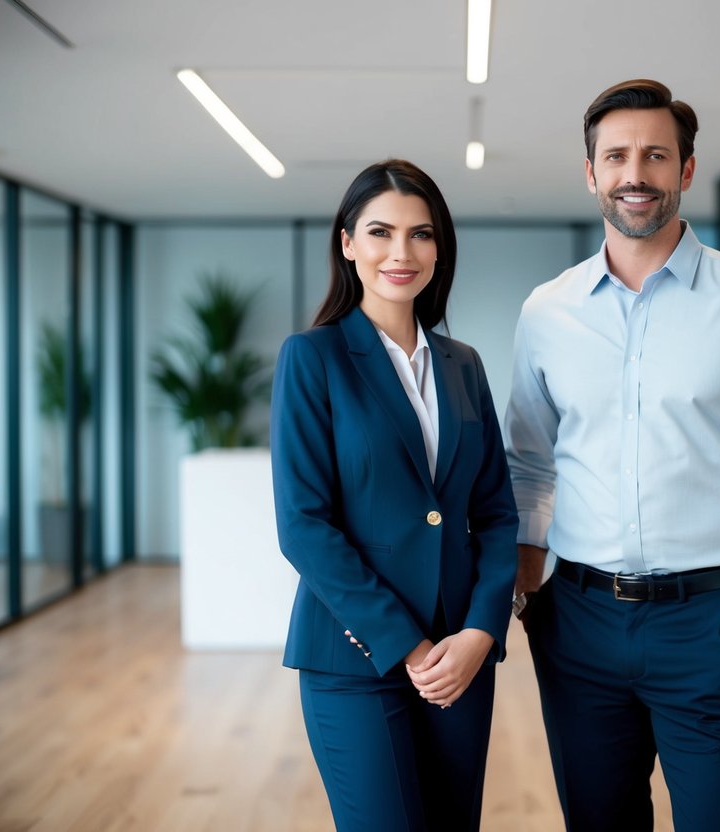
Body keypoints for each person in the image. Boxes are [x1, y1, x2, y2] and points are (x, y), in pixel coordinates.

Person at [503, 79, 720, 832]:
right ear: (590, 172)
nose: (636, 173)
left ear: (685, 170)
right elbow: (528, 465)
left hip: (712, 626)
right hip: (579, 622)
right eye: (617, 156)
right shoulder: (547, 312)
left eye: (655, 155)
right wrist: (531, 595)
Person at [270, 158, 518, 832]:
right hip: (354, 655)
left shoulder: (462, 364)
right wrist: (409, 648)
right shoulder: (312, 358)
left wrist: (480, 630)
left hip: (458, 655)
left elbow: (495, 511)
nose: (401, 253)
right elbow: (303, 525)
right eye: (380, 232)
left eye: (421, 234)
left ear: (440, 248)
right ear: (347, 243)